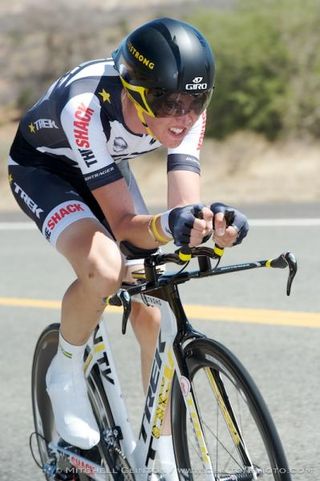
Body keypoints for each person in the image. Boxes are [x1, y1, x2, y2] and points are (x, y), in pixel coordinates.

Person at [8, 17, 248, 480]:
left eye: (196, 101)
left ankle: (157, 447)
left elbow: (182, 214)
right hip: (46, 172)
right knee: (105, 267)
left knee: (153, 294)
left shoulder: (188, 118)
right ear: (136, 92)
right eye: (169, 101)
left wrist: (213, 227)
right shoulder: (85, 107)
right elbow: (123, 224)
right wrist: (166, 227)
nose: (184, 116)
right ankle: (66, 369)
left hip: (103, 169)